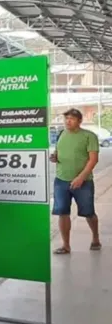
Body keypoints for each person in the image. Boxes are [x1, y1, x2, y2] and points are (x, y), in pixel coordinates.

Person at [51, 108, 100, 255]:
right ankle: (66, 245)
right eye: (66, 118)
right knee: (62, 212)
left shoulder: (89, 136)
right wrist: (55, 157)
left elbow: (93, 160)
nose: (68, 121)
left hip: (83, 182)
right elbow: (58, 153)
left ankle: (95, 238)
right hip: (61, 180)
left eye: (71, 119)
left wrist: (81, 177)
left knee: (89, 212)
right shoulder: (61, 134)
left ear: (79, 121)